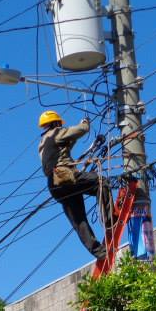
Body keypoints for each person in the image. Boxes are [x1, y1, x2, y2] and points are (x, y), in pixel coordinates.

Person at [38, 110, 108, 260]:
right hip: (65, 176)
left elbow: (66, 143)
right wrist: (85, 123)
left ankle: (99, 252)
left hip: (54, 186)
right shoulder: (57, 132)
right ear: (56, 123)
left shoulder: (43, 142)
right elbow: (81, 130)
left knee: (79, 220)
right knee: (101, 182)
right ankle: (110, 220)